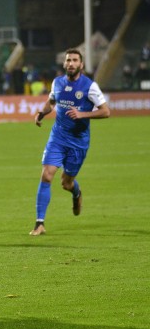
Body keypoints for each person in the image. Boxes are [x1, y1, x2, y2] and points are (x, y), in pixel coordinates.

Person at [30, 49, 110, 236]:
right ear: (64, 64)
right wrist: (41, 113)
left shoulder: (90, 86)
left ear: (81, 65)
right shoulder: (57, 83)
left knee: (66, 183)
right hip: (57, 137)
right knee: (46, 176)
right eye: (68, 60)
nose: (71, 63)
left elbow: (105, 111)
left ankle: (76, 193)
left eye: (75, 60)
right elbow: (51, 102)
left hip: (78, 142)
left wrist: (83, 114)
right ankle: (39, 223)